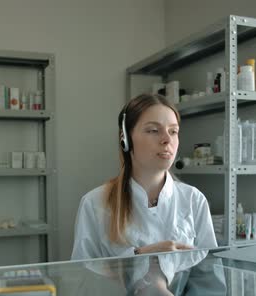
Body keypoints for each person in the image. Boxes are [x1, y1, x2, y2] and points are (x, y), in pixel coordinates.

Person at [71, 92, 217, 263]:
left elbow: (208, 278)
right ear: (125, 139)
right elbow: (85, 276)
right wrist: (139, 256)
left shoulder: (194, 200)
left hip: (181, 292)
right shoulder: (95, 203)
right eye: (153, 130)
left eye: (173, 131)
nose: (166, 139)